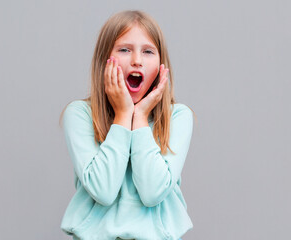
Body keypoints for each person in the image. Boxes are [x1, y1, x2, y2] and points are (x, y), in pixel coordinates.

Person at [59, 9, 196, 240]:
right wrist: (124, 114)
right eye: (124, 50)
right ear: (105, 61)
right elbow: (103, 190)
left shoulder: (178, 117)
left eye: (148, 51)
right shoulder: (79, 114)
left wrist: (140, 117)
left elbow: (153, 192)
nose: (137, 60)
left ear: (161, 64)